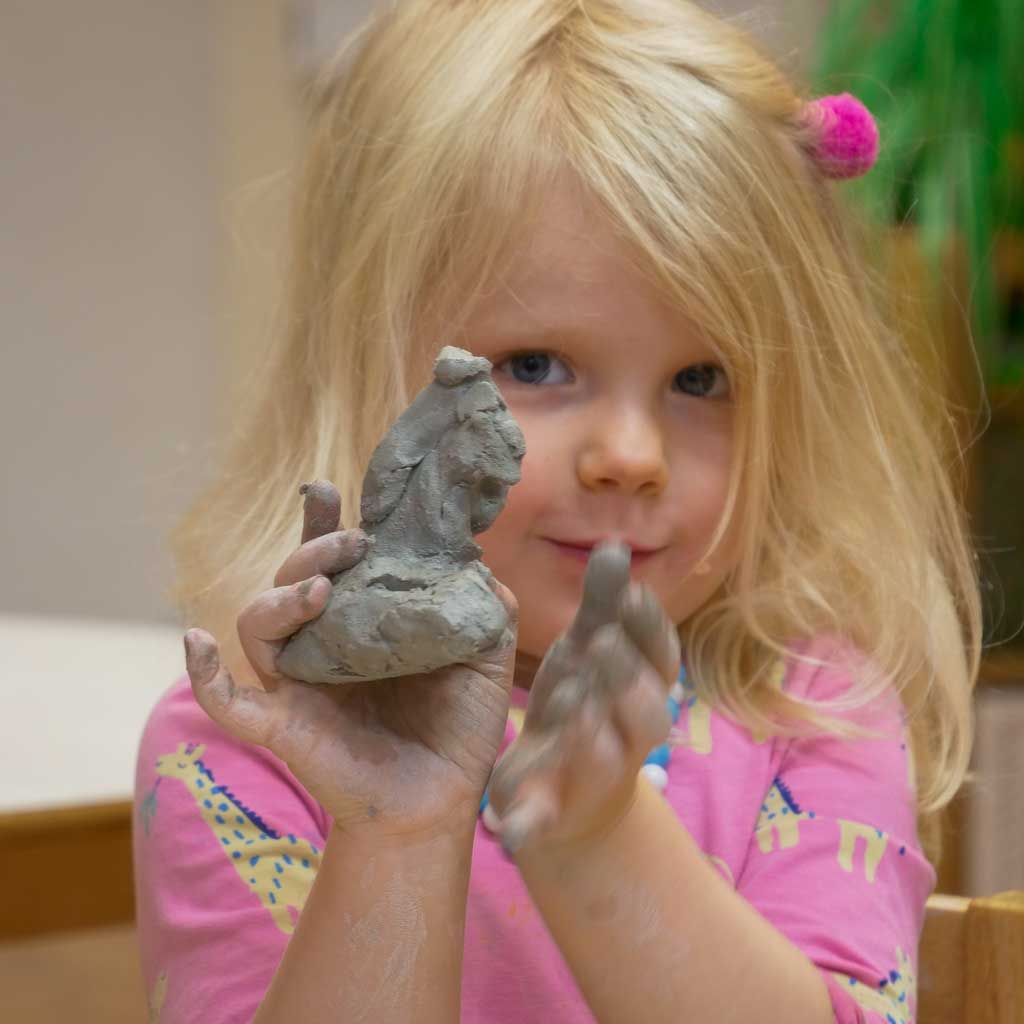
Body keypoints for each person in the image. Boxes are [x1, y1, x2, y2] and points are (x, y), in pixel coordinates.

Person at [132, 2, 983, 1022]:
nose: (630, 456)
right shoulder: (251, 738)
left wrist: (597, 836)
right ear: (361, 372)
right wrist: (394, 835)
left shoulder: (809, 708)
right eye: (535, 366)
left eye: (702, 377)